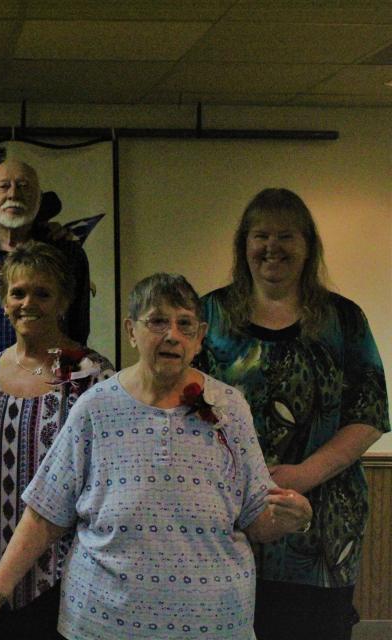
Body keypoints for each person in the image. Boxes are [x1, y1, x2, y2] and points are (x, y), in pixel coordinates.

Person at [0, 273, 313, 639]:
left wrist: (292, 517)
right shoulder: (95, 406)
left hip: (214, 624)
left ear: (200, 337)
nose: (172, 334)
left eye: (184, 323)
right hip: (103, 623)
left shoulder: (229, 408)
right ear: (131, 330)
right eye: (157, 321)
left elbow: (258, 519)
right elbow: (45, 512)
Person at [197, 188, 389, 640]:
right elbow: (182, 404)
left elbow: (370, 413)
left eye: (286, 236)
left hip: (323, 525)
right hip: (227, 518)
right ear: (244, 244)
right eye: (260, 235)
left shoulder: (343, 319)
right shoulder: (209, 314)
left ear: (308, 247)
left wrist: (301, 474)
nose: (272, 247)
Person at [0, 241, 113, 638]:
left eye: (43, 293)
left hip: (61, 575)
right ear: (4, 301)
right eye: (19, 292)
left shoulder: (92, 377)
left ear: (64, 300)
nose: (29, 303)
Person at [0, 159, 91, 381]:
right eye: (4, 186)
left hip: (50, 389)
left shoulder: (69, 256)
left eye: (24, 186)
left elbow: (78, 329)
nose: (13, 194)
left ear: (39, 198)